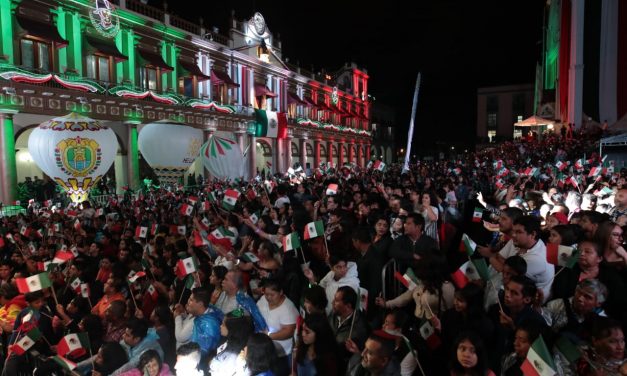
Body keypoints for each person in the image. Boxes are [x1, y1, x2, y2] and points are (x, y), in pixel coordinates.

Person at [256, 278, 298, 375]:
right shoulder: (263, 299)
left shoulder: (288, 309)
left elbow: (289, 331)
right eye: (266, 294)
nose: (269, 297)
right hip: (265, 349)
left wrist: (269, 335)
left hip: (281, 353)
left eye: (272, 295)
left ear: (281, 292)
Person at [328, 286, 369, 372]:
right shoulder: (333, 314)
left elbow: (362, 356)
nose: (332, 303)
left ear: (348, 306)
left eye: (336, 300)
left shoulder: (360, 329)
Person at [174, 287, 222, 355]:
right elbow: (187, 323)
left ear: (200, 304)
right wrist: (183, 313)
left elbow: (180, 337)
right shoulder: (197, 312)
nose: (188, 301)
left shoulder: (204, 323)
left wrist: (177, 317)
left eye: (191, 300)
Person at [209, 310, 253, 376]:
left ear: (232, 329)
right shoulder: (229, 341)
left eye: (223, 325)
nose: (220, 326)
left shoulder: (234, 355)